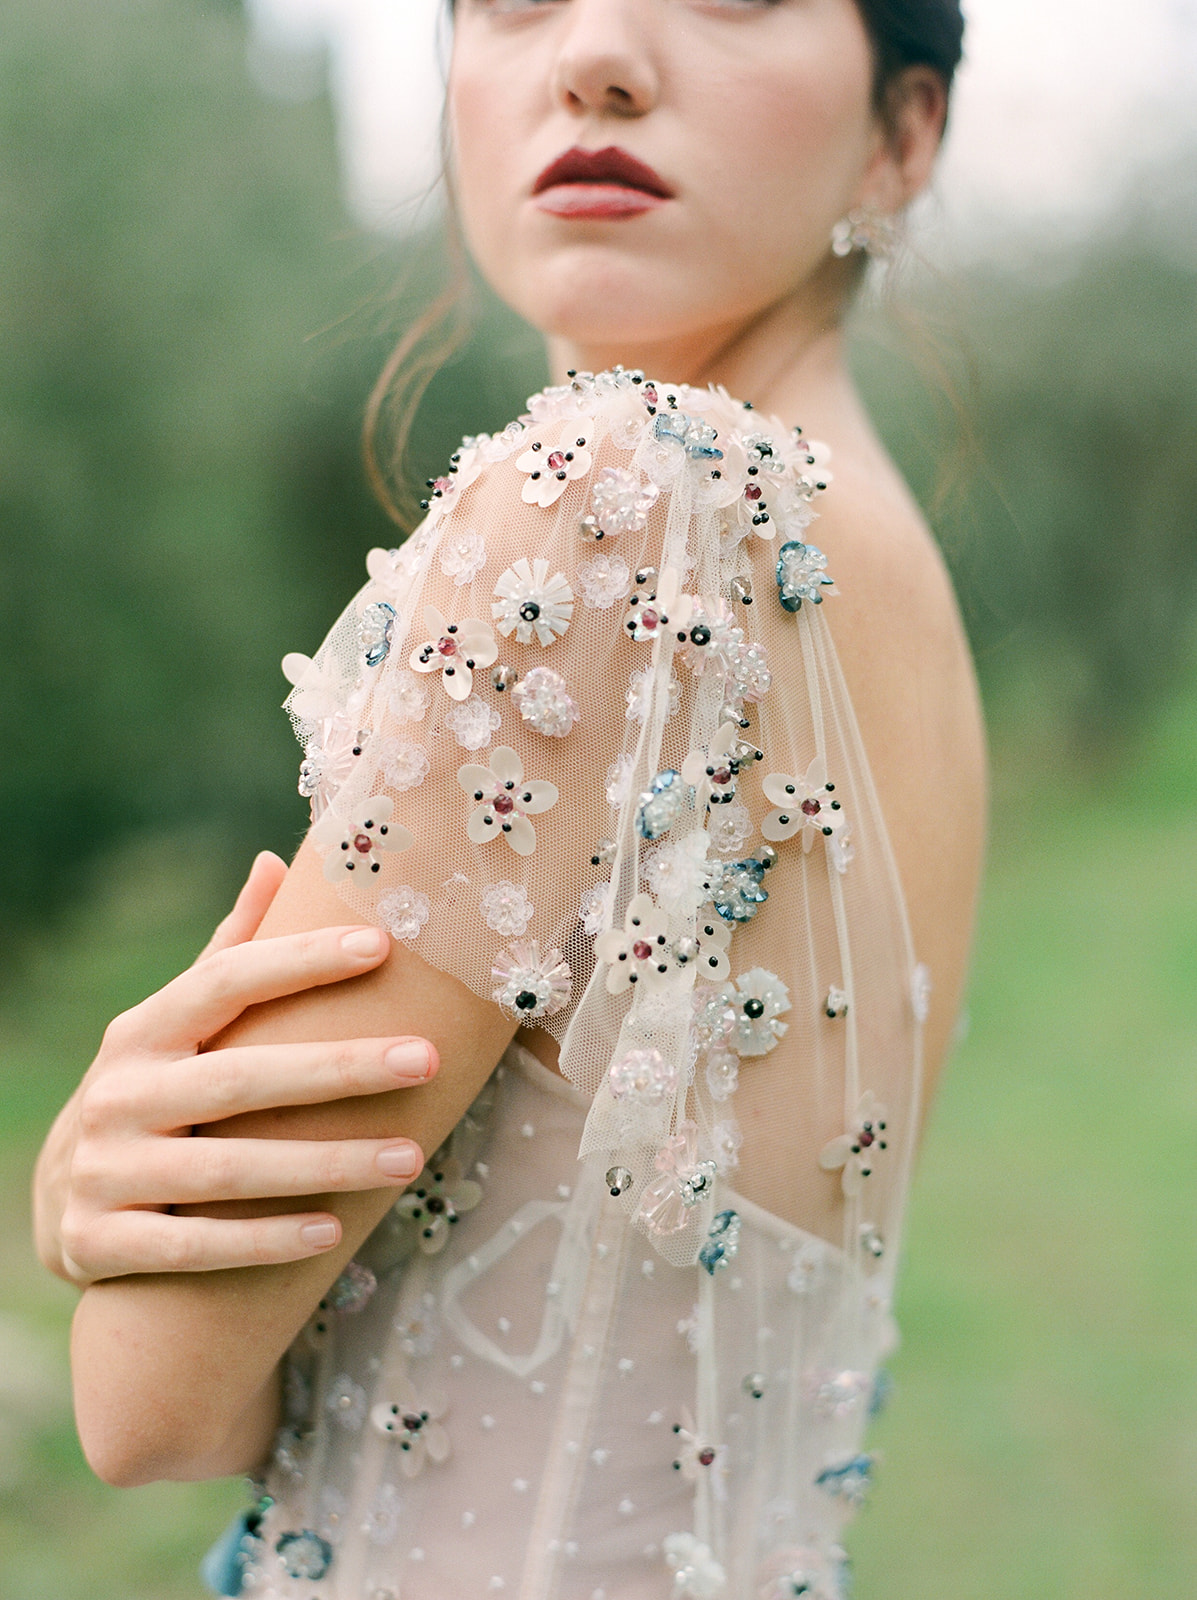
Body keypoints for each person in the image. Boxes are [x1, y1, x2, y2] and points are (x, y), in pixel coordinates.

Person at [34, 1, 985, 1595]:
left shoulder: (627, 493)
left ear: (904, 131)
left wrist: (105, 1200)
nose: (595, 55)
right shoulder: (898, 587)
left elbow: (149, 1401)